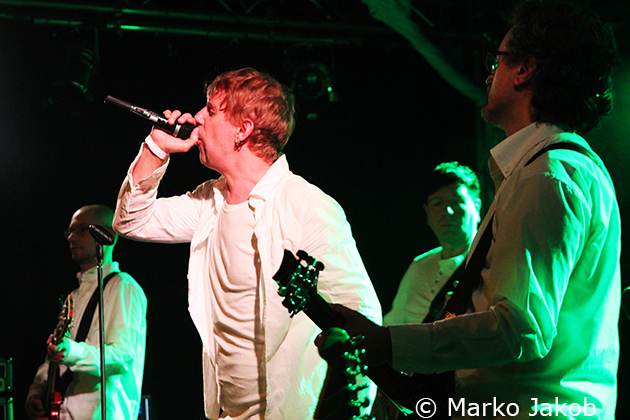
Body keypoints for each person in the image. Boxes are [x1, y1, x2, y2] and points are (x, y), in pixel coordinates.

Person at [327, 1, 621, 419]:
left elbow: (518, 328)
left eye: (496, 61)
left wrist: (389, 343)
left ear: (524, 70)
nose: (488, 74)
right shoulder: (555, 171)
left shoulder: (546, 176)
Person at [112, 67, 381, 420]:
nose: (197, 118)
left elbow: (361, 315)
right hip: (226, 412)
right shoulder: (209, 201)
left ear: (243, 130)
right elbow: (131, 221)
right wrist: (156, 148)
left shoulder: (306, 204)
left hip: (289, 413)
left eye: (211, 110)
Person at [26, 205, 147, 420]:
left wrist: (71, 352)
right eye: (70, 231)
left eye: (81, 230)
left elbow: (122, 357)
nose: (71, 237)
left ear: (107, 235)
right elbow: (54, 356)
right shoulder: (73, 297)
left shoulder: (123, 287)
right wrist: (37, 391)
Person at [383, 162, 481, 326]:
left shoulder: (491, 261)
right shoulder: (419, 266)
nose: (447, 211)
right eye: (437, 203)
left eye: (456, 201)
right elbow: (391, 324)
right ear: (427, 212)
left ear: (477, 207)